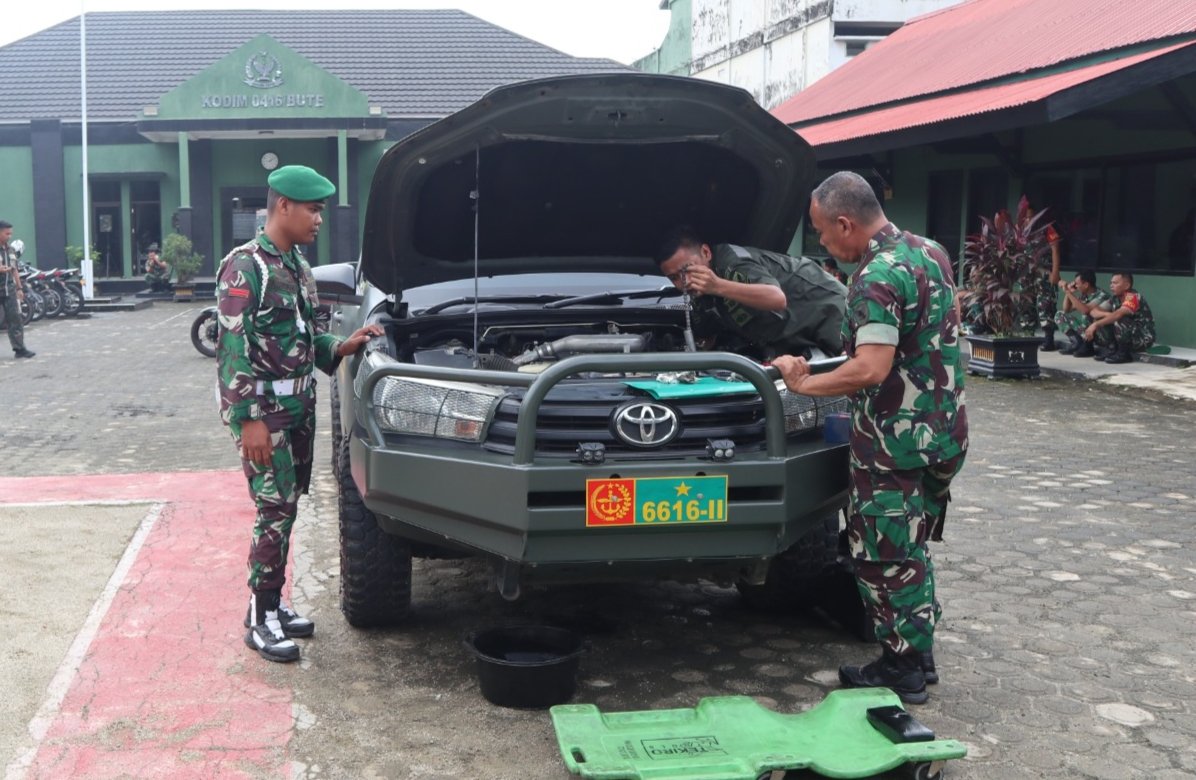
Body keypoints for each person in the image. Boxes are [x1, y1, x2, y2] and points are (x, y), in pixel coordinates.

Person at [773, 171, 968, 705]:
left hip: (894, 442)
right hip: (944, 433)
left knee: (883, 553)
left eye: (822, 232)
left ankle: (901, 666)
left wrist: (803, 383)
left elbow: (869, 369)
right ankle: (920, 650)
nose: (821, 243)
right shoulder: (930, 251)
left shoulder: (875, 277)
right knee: (914, 545)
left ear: (845, 222)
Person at [216, 165, 383, 663]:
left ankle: (270, 606)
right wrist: (247, 419)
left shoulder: (296, 266)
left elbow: (308, 339)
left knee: (287, 507)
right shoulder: (245, 267)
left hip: (298, 408)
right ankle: (261, 614)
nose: (318, 219)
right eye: (312, 209)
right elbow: (232, 347)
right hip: (264, 414)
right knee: (274, 510)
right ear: (283, 205)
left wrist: (344, 345)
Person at [654, 226, 847, 359]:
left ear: (706, 252)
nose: (684, 282)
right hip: (796, 340)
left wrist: (717, 286)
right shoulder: (701, 293)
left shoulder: (734, 262)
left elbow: (776, 298)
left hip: (829, 313)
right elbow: (708, 334)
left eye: (687, 270)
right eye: (674, 278)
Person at [1083, 271, 1155, 365]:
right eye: (1111, 283)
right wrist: (1106, 316)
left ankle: (1124, 354)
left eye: (1115, 283)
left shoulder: (1133, 297)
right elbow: (1094, 311)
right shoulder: (1115, 298)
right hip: (1127, 336)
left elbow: (1119, 314)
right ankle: (1112, 349)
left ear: (1127, 285)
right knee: (1102, 318)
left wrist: (1096, 324)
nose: (1111, 286)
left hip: (1142, 339)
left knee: (1119, 319)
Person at [1054, 269, 1110, 356]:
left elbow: (1085, 310)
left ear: (1086, 284)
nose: (1075, 286)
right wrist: (1068, 293)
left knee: (1087, 314)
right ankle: (1077, 343)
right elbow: (1067, 309)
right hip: (1087, 332)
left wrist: (1068, 292)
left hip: (1101, 335)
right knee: (1060, 315)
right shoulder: (1084, 295)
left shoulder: (1101, 295)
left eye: (1077, 283)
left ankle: (1088, 346)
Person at [0, 220, 34, 359]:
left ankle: (20, 349)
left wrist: (19, 288)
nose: (9, 236)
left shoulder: (10, 250)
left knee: (15, 319)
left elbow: (14, 270)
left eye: (11, 233)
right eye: (7, 233)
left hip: (9, 290)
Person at [1034, 223, 1063, 350]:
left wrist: (1055, 272)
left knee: (1046, 305)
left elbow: (1055, 248)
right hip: (1027, 275)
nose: (1027, 218)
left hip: (1045, 273)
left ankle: (1048, 339)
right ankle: (1027, 338)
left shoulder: (1046, 229)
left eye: (1030, 215)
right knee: (1025, 308)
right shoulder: (1021, 228)